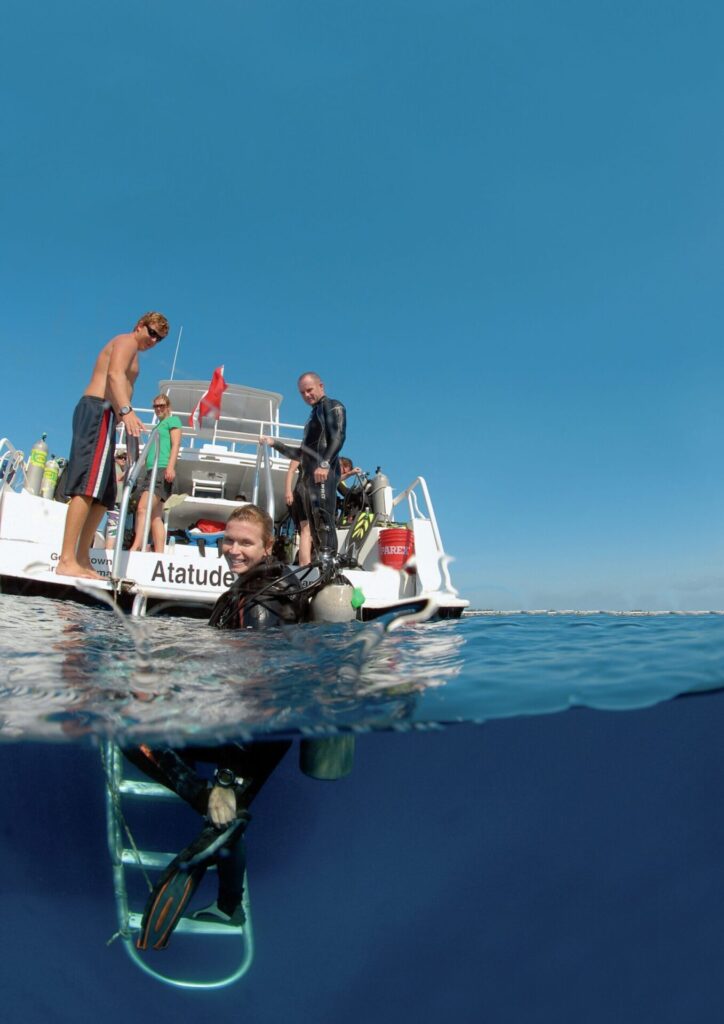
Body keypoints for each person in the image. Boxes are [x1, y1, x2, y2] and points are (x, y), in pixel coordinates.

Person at [131, 505, 306, 950]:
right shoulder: (257, 588)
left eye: (246, 542)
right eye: (229, 539)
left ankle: (206, 798)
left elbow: (250, 697)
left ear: (268, 546)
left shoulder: (261, 601)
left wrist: (225, 780)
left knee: (132, 736)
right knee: (227, 818)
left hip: (254, 738)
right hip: (269, 733)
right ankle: (229, 906)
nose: (233, 549)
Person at [56, 312, 169, 579]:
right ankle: (66, 559)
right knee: (87, 486)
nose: (154, 340)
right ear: (140, 325)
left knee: (105, 494)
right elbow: (114, 376)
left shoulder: (136, 357)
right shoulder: (126, 341)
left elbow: (123, 389)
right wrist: (127, 411)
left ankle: (82, 558)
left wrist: (128, 433)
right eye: (152, 332)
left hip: (109, 419)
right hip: (97, 410)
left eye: (160, 338)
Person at [263, 372, 346, 561]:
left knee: (323, 518)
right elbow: (301, 454)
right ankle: (321, 561)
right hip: (309, 479)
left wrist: (324, 464)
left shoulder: (332, 406)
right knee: (313, 524)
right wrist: (275, 443)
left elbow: (338, 437)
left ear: (321, 386)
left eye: (309, 390)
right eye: (302, 393)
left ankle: (329, 561)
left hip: (323, 473)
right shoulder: (312, 418)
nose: (307, 395)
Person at [130, 394, 182, 553]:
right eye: (156, 406)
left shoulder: (173, 421)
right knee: (155, 516)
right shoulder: (157, 427)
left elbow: (176, 444)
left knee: (142, 508)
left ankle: (136, 546)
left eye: (162, 405)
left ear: (168, 407)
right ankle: (159, 554)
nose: (158, 408)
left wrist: (170, 467)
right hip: (151, 470)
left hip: (161, 469)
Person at [284, 458, 312, 565]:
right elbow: (291, 470)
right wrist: (288, 492)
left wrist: (349, 474)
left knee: (309, 531)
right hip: (304, 490)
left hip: (314, 493)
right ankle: (305, 564)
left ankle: (307, 561)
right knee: (306, 529)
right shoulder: (302, 452)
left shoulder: (323, 454)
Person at [104, 447, 129, 550]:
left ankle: (109, 548)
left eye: (125, 458)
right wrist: (130, 469)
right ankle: (109, 549)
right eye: (120, 457)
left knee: (113, 525)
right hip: (115, 502)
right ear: (115, 458)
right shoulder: (115, 467)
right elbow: (118, 478)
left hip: (116, 502)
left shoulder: (119, 468)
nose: (123, 459)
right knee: (113, 527)